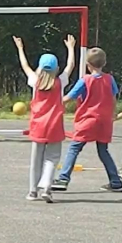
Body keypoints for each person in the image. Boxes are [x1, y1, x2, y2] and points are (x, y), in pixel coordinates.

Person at [13, 35, 76, 203]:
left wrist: (20, 48)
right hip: (55, 126)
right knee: (52, 158)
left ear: (40, 68)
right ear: (56, 69)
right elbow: (71, 66)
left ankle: (33, 191)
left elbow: (25, 65)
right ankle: (46, 186)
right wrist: (71, 48)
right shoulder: (60, 81)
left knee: (36, 160)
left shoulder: (35, 80)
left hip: (38, 126)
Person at [52, 47, 122, 192]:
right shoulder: (109, 79)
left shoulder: (85, 80)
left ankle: (63, 179)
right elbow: (113, 98)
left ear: (88, 65)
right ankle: (115, 181)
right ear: (104, 63)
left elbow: (68, 98)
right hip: (104, 121)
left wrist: (53, 104)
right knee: (103, 150)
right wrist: (113, 113)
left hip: (88, 120)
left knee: (74, 148)